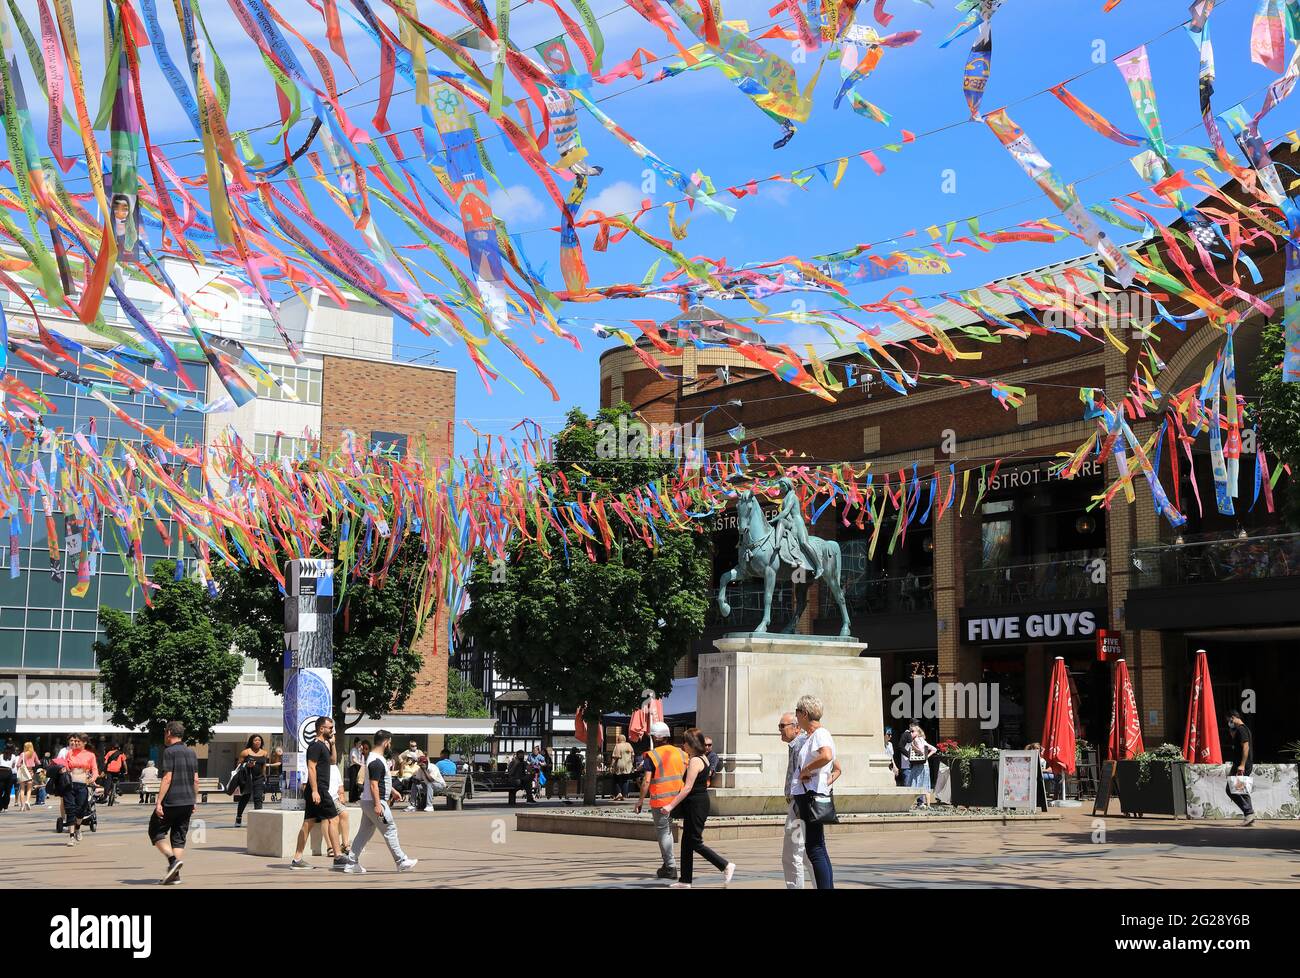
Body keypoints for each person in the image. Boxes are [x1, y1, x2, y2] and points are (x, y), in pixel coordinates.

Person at [661, 728, 735, 888]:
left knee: (694, 841)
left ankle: (725, 865)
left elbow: (687, 788)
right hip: (696, 803)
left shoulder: (695, 761)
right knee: (687, 843)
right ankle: (685, 881)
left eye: (685, 742)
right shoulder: (702, 758)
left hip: (696, 804)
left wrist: (670, 805)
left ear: (692, 744)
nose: (683, 745)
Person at [347, 729, 418, 874]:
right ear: (386, 742)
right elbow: (374, 784)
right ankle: (401, 861)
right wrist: (378, 804)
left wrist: (393, 791)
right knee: (390, 829)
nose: (390, 745)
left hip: (369, 801)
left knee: (364, 833)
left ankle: (351, 863)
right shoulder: (376, 761)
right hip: (375, 802)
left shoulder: (374, 759)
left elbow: (377, 782)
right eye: (390, 742)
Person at [792, 695, 836, 890]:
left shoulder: (820, 733)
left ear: (804, 714)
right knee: (817, 847)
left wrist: (806, 770)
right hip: (809, 795)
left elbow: (827, 756)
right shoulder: (814, 735)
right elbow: (836, 767)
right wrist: (825, 779)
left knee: (815, 849)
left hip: (810, 796)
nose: (796, 717)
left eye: (797, 713)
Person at [290, 717, 347, 870]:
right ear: (321, 729)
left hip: (318, 789)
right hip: (319, 790)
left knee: (308, 823)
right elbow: (311, 768)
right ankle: (338, 856)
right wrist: (315, 790)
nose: (332, 730)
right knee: (333, 819)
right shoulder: (315, 746)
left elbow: (333, 761)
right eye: (330, 728)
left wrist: (333, 744)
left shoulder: (324, 745)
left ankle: (297, 860)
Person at [634, 722, 684, 881]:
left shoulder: (652, 755)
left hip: (661, 800)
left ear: (656, 737)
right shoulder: (681, 753)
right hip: (679, 797)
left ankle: (670, 866)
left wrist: (640, 801)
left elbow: (646, 781)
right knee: (668, 832)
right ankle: (667, 864)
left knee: (664, 832)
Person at [151, 720, 198, 885]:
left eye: (165, 732)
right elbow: (195, 779)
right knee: (179, 836)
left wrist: (158, 802)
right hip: (187, 801)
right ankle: (175, 875)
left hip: (171, 801)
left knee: (155, 831)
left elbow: (167, 777)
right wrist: (194, 801)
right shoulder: (191, 752)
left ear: (169, 733)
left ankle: (172, 861)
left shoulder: (169, 751)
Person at [770, 477, 823, 578]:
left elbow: (786, 511)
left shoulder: (792, 496)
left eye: (783, 486)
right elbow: (785, 515)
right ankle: (777, 544)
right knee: (781, 521)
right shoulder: (785, 498)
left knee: (803, 542)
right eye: (780, 486)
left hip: (797, 522)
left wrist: (773, 519)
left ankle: (819, 566)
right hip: (790, 522)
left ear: (788, 485)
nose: (781, 488)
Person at [60, 733, 99, 845]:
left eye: (78, 741)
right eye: (74, 741)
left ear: (84, 743)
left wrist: (93, 778)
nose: (75, 743)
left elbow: (95, 769)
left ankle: (77, 828)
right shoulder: (69, 753)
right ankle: (71, 837)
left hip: (82, 784)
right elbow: (66, 766)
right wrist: (63, 770)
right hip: (70, 784)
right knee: (70, 809)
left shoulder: (90, 755)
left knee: (80, 809)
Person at [1225, 709, 1255, 826]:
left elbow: (1245, 747)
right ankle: (1249, 815)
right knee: (1240, 789)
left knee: (1232, 789)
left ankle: (1249, 813)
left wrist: (1242, 765)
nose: (1228, 722)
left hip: (1242, 765)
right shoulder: (1242, 729)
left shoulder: (1242, 730)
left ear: (1233, 717)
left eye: (1229, 720)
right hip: (1240, 764)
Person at [234, 735, 269, 827]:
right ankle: (238, 817)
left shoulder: (264, 753)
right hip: (247, 779)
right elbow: (238, 765)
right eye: (255, 740)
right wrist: (246, 765)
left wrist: (264, 777)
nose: (258, 742)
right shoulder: (245, 752)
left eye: (259, 740)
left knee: (258, 798)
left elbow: (264, 766)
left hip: (259, 778)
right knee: (245, 798)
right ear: (251, 742)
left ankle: (258, 820)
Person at [906, 723, 938, 808]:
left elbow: (921, 750)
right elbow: (934, 749)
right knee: (925, 784)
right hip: (925, 765)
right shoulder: (923, 740)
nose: (911, 733)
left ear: (917, 732)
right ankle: (928, 805)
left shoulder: (916, 740)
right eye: (910, 731)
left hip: (918, 765)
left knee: (915, 784)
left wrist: (913, 746)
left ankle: (911, 805)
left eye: (912, 731)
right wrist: (926, 757)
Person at [610, 733, 635, 801]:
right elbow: (633, 755)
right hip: (628, 764)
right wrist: (632, 763)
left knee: (616, 778)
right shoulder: (629, 745)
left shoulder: (618, 746)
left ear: (619, 739)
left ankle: (619, 793)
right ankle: (625, 794)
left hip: (619, 764)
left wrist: (611, 765)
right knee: (625, 779)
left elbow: (615, 757)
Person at [347, 739, 367, 803]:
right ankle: (351, 798)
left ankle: (355, 798)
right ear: (355, 743)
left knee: (356, 783)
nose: (360, 745)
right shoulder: (353, 750)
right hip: (353, 767)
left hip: (357, 766)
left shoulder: (358, 750)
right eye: (359, 743)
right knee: (352, 783)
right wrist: (360, 764)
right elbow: (353, 759)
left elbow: (361, 757)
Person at [0, 743, 16, 813]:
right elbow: (13, 766)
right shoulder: (13, 756)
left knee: (0, 791)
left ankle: (0, 807)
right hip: (9, 773)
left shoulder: (1, 756)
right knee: (7, 791)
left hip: (0, 772)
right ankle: (5, 806)